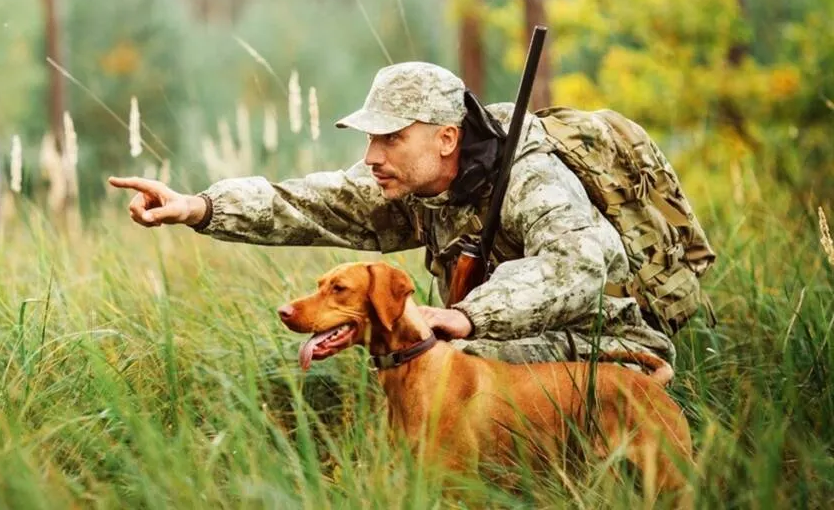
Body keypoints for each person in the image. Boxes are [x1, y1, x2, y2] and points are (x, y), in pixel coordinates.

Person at [108, 61, 676, 367]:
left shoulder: (529, 176)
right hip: (505, 345)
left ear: (447, 138)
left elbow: (581, 264)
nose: (372, 157)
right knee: (427, 358)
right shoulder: (410, 182)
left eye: (392, 139)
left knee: (453, 357)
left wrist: (468, 317)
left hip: (610, 344)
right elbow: (307, 203)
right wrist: (198, 206)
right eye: (370, 138)